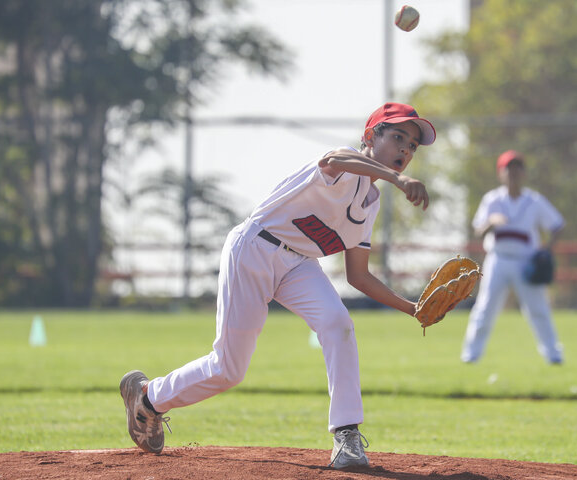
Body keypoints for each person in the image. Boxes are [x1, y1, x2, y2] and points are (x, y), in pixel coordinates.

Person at [119, 102, 436, 469]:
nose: (405, 149)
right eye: (398, 136)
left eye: (412, 145)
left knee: (338, 323)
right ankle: (147, 397)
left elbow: (358, 276)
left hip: (298, 263)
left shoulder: (369, 204)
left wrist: (413, 308)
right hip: (255, 247)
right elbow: (335, 158)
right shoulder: (346, 162)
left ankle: (347, 437)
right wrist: (397, 178)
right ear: (370, 137)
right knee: (228, 369)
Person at [460, 150, 565, 365]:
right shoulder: (492, 199)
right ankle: (471, 356)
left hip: (526, 260)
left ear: (524, 173)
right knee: (485, 309)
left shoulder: (534, 201)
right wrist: (491, 222)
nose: (513, 173)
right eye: (509, 168)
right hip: (498, 259)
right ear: (501, 173)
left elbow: (557, 225)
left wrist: (546, 250)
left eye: (518, 168)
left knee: (538, 310)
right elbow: (478, 230)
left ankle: (553, 355)